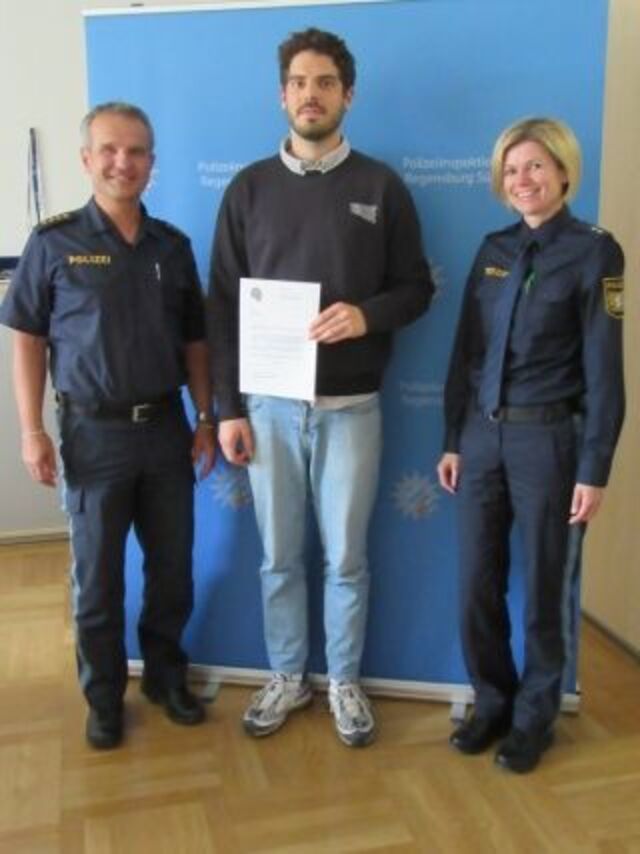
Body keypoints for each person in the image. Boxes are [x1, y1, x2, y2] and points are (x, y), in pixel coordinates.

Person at [208, 28, 433, 747]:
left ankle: (342, 681)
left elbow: (417, 288)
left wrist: (367, 315)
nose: (312, 94)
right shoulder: (248, 189)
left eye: (326, 83)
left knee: (346, 559)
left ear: (347, 95)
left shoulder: (381, 186)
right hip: (268, 410)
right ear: (283, 95)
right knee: (278, 557)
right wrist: (227, 409)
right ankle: (286, 676)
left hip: (351, 408)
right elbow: (221, 306)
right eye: (300, 83)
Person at [0, 102, 216, 750]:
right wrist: (31, 430)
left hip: (166, 429)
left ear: (152, 162)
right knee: (97, 580)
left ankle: (165, 678)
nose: (124, 162)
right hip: (92, 436)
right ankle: (103, 697)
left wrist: (205, 417)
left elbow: (196, 342)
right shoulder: (53, 243)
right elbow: (27, 340)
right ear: (87, 159)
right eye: (111, 150)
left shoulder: (172, 247)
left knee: (172, 570)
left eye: (137, 151)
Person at [437, 117, 625, 773]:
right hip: (482, 439)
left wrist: (594, 467)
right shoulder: (493, 249)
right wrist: (454, 439)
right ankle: (491, 701)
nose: (523, 179)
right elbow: (467, 352)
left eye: (536, 166)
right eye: (512, 169)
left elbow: (605, 372)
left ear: (564, 172)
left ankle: (533, 718)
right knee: (476, 585)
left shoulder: (596, 253)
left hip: (550, 441)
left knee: (547, 589)